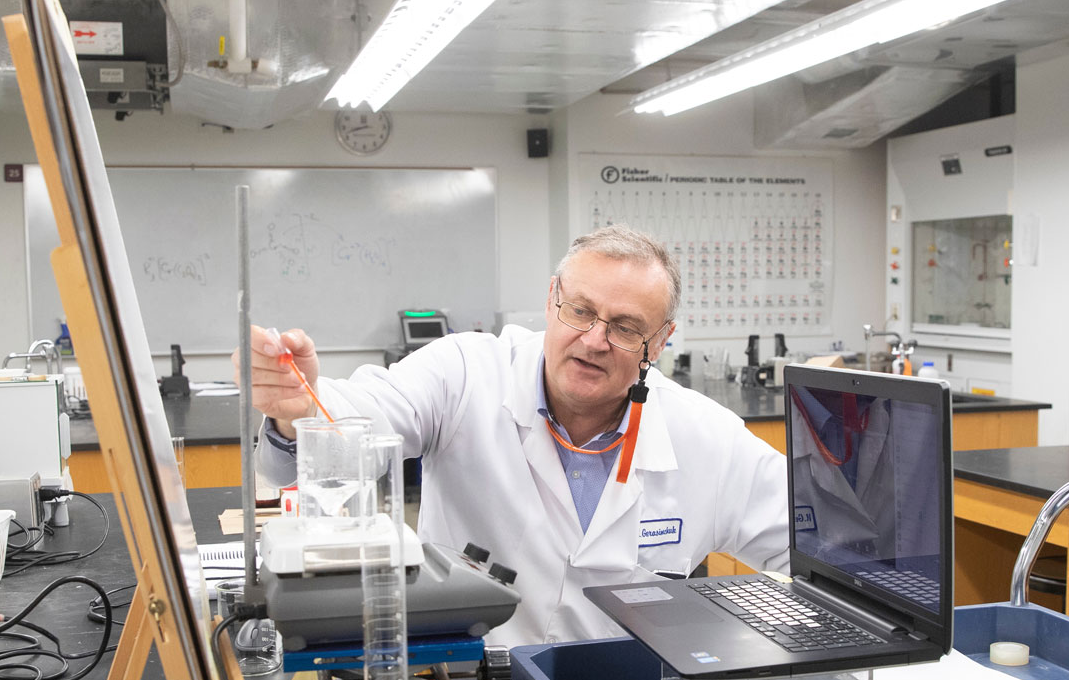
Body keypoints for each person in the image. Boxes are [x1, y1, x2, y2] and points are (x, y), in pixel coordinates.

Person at [243, 224, 790, 649]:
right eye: (580, 311)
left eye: (625, 328)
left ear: (661, 339)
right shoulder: (466, 373)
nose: (594, 340)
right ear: (553, 298)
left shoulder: (705, 435)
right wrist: (300, 411)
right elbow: (361, 421)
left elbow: (818, 548)